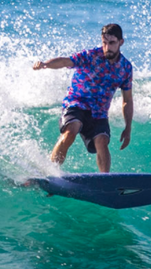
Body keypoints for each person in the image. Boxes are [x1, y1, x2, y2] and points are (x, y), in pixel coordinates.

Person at [33, 23, 133, 172]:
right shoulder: (91, 55)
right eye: (104, 43)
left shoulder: (125, 68)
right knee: (70, 131)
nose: (107, 47)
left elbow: (127, 100)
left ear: (121, 42)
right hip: (76, 103)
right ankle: (50, 172)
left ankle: (105, 180)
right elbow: (65, 61)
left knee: (102, 141)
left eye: (112, 43)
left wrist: (128, 128)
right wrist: (45, 64)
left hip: (99, 113)